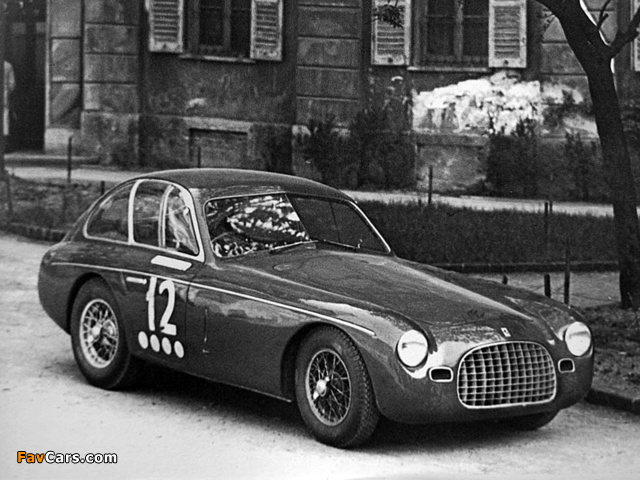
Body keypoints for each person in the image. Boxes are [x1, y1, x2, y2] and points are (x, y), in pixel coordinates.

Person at [4, 60, 15, 152]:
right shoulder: (8, 65)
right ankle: (4, 146)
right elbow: (12, 84)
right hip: (4, 96)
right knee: (5, 119)